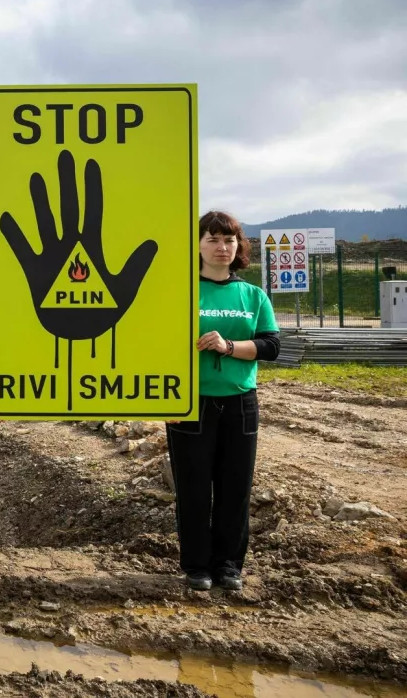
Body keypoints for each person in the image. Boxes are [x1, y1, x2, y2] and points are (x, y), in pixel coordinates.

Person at [168, 210, 279, 591]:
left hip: (240, 404)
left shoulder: (253, 295)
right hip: (189, 403)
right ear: (197, 245)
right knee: (194, 488)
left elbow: (271, 345)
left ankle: (229, 565)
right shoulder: (178, 291)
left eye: (229, 240)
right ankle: (197, 566)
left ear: (239, 247)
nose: (221, 247)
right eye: (212, 239)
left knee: (235, 488)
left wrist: (229, 346)